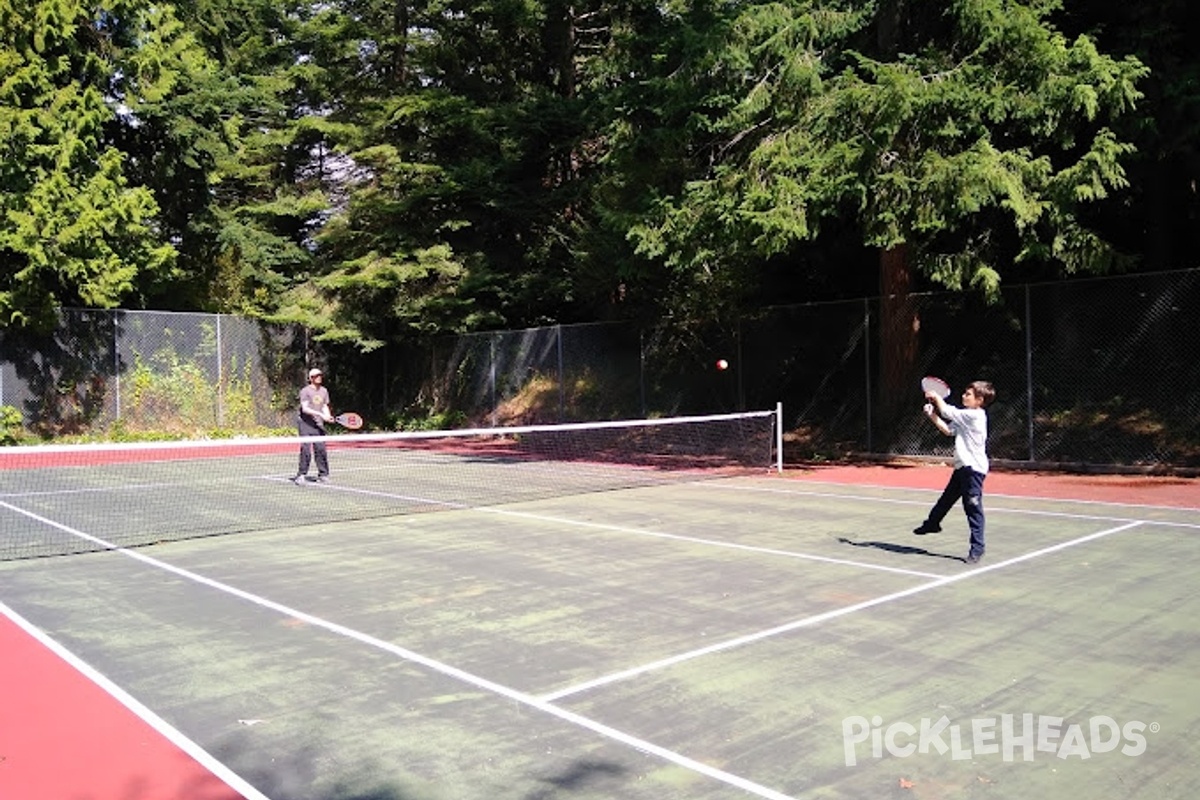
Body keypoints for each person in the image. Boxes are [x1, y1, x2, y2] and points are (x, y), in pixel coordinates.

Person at [913, 380, 996, 564]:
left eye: (968, 394)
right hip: (962, 468)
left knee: (973, 508)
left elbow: (948, 411)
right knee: (946, 499)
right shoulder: (965, 417)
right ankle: (932, 524)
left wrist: (935, 397)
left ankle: (977, 549)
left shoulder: (975, 416)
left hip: (973, 470)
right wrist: (932, 415)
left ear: (979, 400)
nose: (964, 396)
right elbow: (948, 430)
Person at [294, 367, 334, 484]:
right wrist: (320, 414)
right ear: (311, 378)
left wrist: (328, 416)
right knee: (306, 449)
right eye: (316, 376)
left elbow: (324, 406)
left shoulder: (324, 391)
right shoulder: (305, 391)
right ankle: (301, 475)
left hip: (318, 424)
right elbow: (305, 409)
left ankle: (323, 474)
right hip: (305, 424)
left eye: (320, 375)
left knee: (321, 449)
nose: (319, 377)